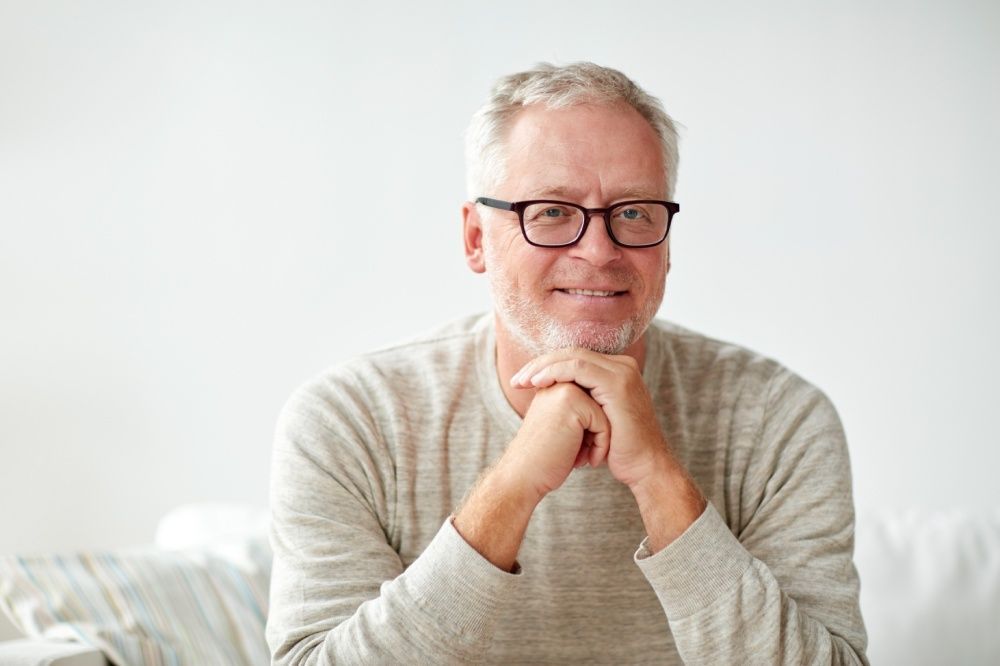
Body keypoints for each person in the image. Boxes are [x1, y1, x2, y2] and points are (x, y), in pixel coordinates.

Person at [266, 62, 868, 664]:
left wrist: (659, 478)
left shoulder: (777, 419)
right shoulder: (349, 420)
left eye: (634, 212)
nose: (599, 250)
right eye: (551, 211)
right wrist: (514, 483)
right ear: (476, 238)